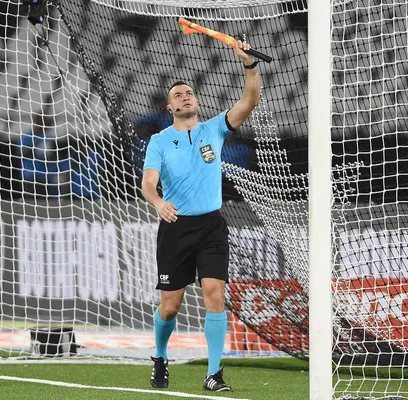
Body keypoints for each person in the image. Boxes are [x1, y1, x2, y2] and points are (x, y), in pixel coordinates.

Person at [141, 40, 260, 392]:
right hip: (175, 227)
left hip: (211, 226)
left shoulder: (214, 129)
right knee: (169, 306)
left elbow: (249, 101)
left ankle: (213, 373)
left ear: (197, 101)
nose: (184, 97)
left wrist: (250, 65)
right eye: (177, 95)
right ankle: (160, 359)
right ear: (169, 107)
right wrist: (158, 202)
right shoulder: (160, 141)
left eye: (189, 93)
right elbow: (148, 183)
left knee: (214, 293)